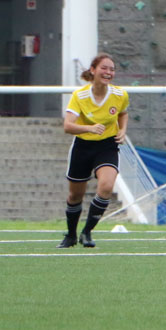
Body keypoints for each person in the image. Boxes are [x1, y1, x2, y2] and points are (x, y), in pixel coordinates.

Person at [57, 53, 129, 248]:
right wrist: (89, 128)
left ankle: (87, 232)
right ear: (93, 70)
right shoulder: (79, 96)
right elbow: (67, 126)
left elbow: (123, 113)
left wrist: (122, 130)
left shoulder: (119, 94)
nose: (108, 72)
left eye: (112, 69)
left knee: (106, 186)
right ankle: (71, 234)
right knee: (75, 196)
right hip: (83, 146)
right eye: (104, 68)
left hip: (107, 145)